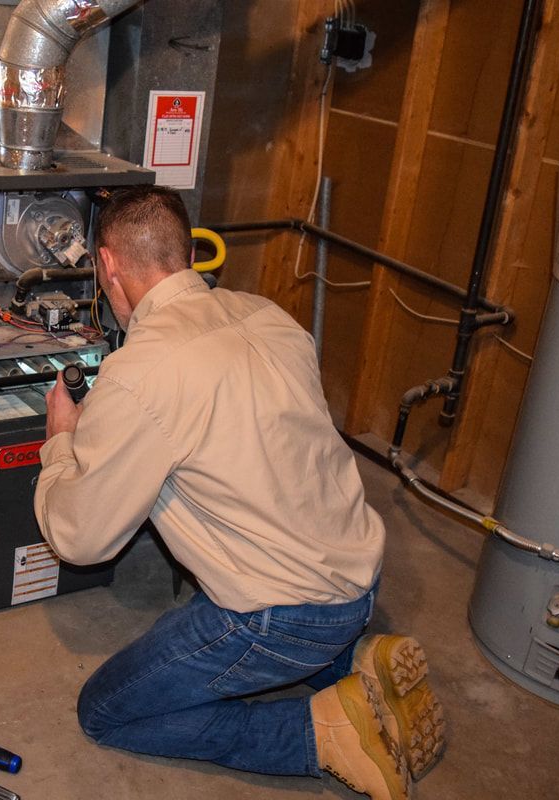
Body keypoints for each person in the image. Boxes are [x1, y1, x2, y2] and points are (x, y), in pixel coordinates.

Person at [33, 185, 445, 799]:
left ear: (108, 265)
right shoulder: (266, 314)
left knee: (108, 710)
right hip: (359, 580)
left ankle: (325, 733)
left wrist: (63, 441)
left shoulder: (141, 374)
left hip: (280, 619)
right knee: (269, 614)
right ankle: (358, 664)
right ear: (186, 251)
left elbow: (79, 539)